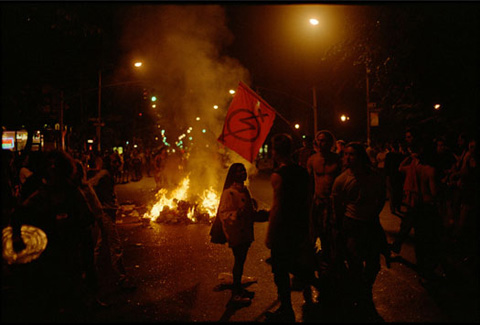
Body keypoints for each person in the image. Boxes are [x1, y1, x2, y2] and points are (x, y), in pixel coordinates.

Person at [265, 133, 320, 322]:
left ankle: (286, 309)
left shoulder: (278, 175)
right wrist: (309, 226)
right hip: (300, 224)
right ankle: (322, 285)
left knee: (280, 269)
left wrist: (270, 235)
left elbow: (278, 208)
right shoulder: (302, 172)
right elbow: (308, 200)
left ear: (275, 152)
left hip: (284, 228)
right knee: (296, 262)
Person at [331, 142, 387, 311]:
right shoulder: (342, 179)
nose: (348, 157)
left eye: (352, 154)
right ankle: (359, 294)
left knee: (373, 263)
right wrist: (339, 227)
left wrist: (373, 213)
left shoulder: (373, 176)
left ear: (360, 156)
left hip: (370, 223)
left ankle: (365, 288)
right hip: (352, 224)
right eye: (346, 154)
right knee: (354, 261)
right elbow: (337, 205)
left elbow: (381, 196)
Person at [88, 155, 136, 291]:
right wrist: (98, 206)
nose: (117, 164)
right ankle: (122, 278)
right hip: (105, 214)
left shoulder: (108, 174)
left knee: (101, 244)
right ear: (109, 163)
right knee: (116, 245)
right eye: (115, 162)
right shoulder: (104, 174)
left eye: (118, 162)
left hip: (108, 212)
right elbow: (89, 186)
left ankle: (94, 273)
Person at [214, 163, 258, 305]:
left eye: (244, 171)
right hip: (236, 233)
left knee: (241, 261)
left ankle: (238, 288)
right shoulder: (229, 193)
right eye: (239, 171)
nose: (243, 173)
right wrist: (238, 214)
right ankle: (235, 294)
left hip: (246, 232)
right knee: (239, 262)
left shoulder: (244, 190)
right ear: (233, 174)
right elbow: (224, 214)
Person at [306, 130, 342, 271]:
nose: (321, 143)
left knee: (330, 234)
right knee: (314, 232)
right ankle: (312, 260)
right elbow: (308, 183)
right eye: (319, 140)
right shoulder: (312, 160)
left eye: (324, 140)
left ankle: (329, 260)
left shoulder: (338, 160)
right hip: (317, 201)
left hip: (332, 203)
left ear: (330, 143)